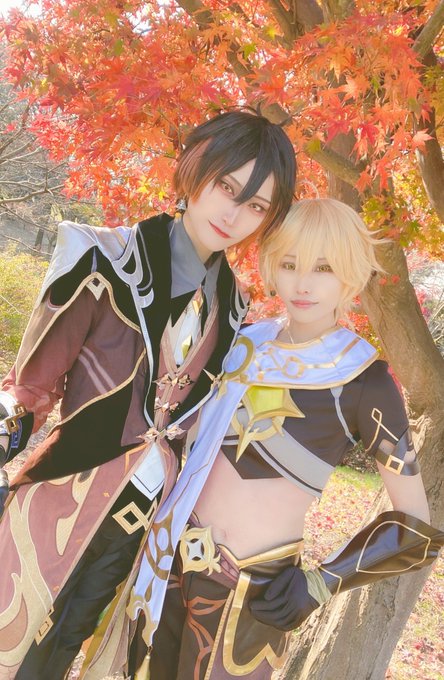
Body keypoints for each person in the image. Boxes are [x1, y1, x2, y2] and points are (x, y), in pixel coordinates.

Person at [0, 109, 297, 680]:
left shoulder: (236, 310)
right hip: (58, 494)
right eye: (226, 186)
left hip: (140, 526)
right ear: (194, 168)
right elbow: (30, 391)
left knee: (61, 651)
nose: (234, 214)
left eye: (257, 206)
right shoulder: (101, 259)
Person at [130, 198, 444, 680]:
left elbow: (415, 527)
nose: (302, 283)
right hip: (168, 560)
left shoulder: (364, 380)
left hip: (255, 592)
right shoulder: (239, 342)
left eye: (323, 267)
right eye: (291, 263)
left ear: (351, 275)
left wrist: (321, 583)